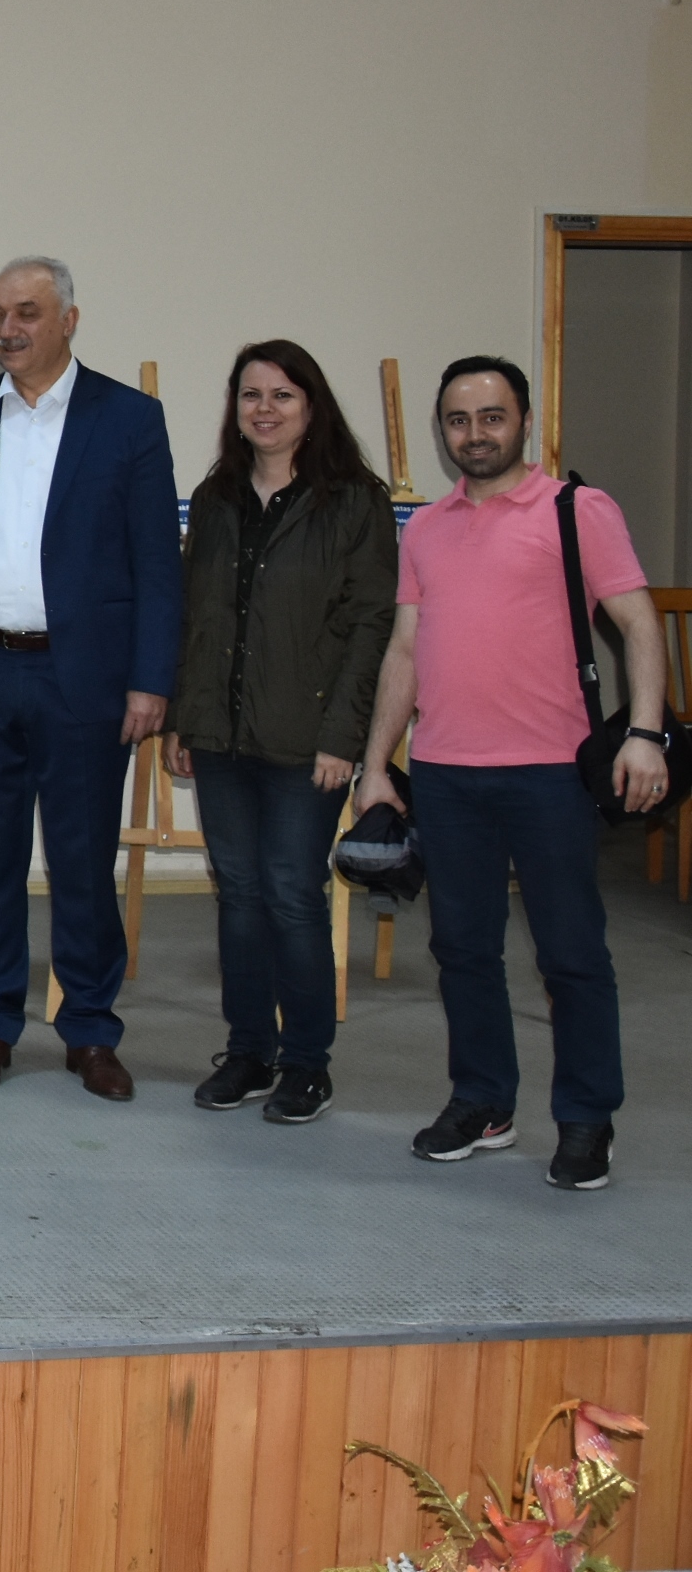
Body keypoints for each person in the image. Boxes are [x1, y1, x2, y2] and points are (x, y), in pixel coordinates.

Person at [355, 356, 665, 1190]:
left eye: (491, 417)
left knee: (571, 955)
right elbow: (406, 649)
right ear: (442, 430)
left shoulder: (577, 510)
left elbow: (638, 623)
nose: (475, 434)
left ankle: (587, 1117)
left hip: (550, 776)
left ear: (524, 421)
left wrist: (644, 733)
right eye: (458, 420)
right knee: (462, 951)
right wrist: (378, 764)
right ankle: (483, 1102)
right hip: (447, 776)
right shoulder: (425, 529)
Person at [0, 257, 180, 1100]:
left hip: (83, 677)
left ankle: (89, 1029)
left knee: (83, 860)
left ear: (69, 321)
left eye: (25, 312)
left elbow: (157, 564)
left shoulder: (128, 419)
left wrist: (151, 680)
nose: (7, 329)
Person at [166, 341, 395, 1126]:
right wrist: (184, 717)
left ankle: (306, 1064)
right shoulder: (216, 496)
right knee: (238, 894)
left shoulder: (354, 502)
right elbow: (194, 617)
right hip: (220, 738)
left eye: (282, 395)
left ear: (312, 406)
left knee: (293, 895)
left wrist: (345, 738)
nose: (264, 409)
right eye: (251, 395)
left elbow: (371, 627)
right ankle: (248, 1051)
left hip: (309, 742)